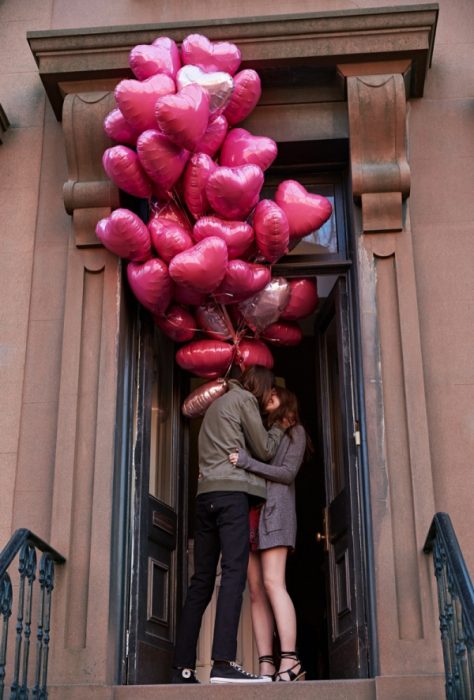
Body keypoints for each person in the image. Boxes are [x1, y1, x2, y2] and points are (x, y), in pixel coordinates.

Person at [171, 365, 287, 685]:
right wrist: (277, 427)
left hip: (204, 497)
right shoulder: (244, 400)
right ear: (260, 388)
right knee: (235, 573)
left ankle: (182, 667)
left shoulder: (215, 406)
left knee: (202, 582)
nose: (265, 400)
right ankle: (222, 662)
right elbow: (264, 448)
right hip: (230, 495)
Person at [229, 386, 309, 682]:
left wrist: (247, 462)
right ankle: (266, 666)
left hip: (276, 514)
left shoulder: (295, 432)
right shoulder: (259, 432)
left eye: (274, 392)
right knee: (256, 591)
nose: (268, 396)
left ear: (287, 398)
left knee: (274, 583)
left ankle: (290, 661)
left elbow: (287, 474)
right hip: (251, 513)